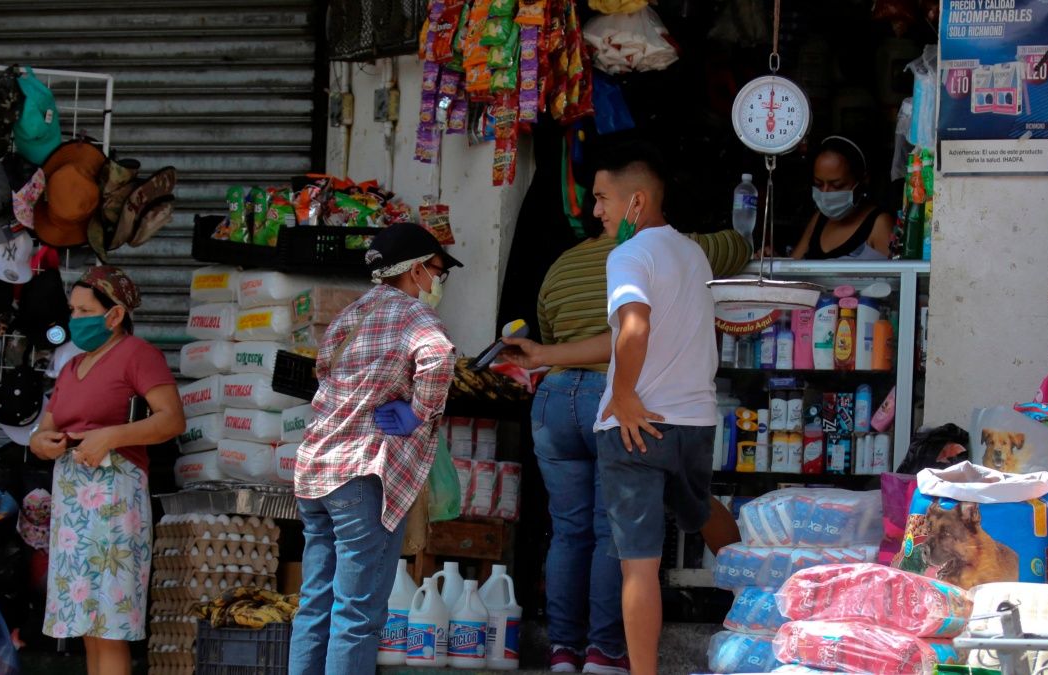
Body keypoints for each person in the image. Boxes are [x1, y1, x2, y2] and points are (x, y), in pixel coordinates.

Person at [504, 194, 750, 672]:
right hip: (692, 420)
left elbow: (633, 329)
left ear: (636, 200)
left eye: (600, 197)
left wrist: (621, 396)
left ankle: (606, 660)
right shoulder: (692, 252)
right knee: (700, 508)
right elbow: (623, 337)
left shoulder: (628, 254)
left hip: (635, 425)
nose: (595, 211)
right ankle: (763, 598)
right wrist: (541, 355)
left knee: (629, 556)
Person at [290, 222, 462, 675]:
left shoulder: (351, 315)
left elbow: (323, 371)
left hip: (315, 474)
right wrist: (419, 412)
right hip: (362, 478)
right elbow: (440, 357)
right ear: (417, 272)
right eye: (438, 272)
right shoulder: (414, 315)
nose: (439, 283)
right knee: (357, 616)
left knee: (315, 606)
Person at [28, 265, 184, 675]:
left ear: (113, 316)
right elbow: (44, 429)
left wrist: (110, 437)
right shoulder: (69, 367)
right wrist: (41, 443)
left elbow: (171, 420)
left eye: (83, 311)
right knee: (86, 624)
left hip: (115, 498)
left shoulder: (139, 355)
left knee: (110, 622)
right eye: (72, 310)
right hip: (72, 506)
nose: (74, 320)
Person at [791, 135, 894, 260]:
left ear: (863, 180)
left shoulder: (879, 224)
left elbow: (894, 276)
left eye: (837, 185)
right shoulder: (820, 219)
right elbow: (792, 267)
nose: (825, 193)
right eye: (818, 184)